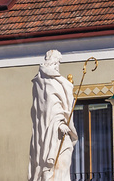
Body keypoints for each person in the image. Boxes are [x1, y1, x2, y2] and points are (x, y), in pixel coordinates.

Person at [29, 50, 78, 181]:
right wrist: (59, 124)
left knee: (64, 162)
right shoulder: (45, 82)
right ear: (54, 62)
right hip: (52, 132)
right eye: (58, 62)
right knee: (57, 164)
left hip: (61, 131)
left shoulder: (56, 81)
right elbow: (47, 109)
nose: (58, 66)